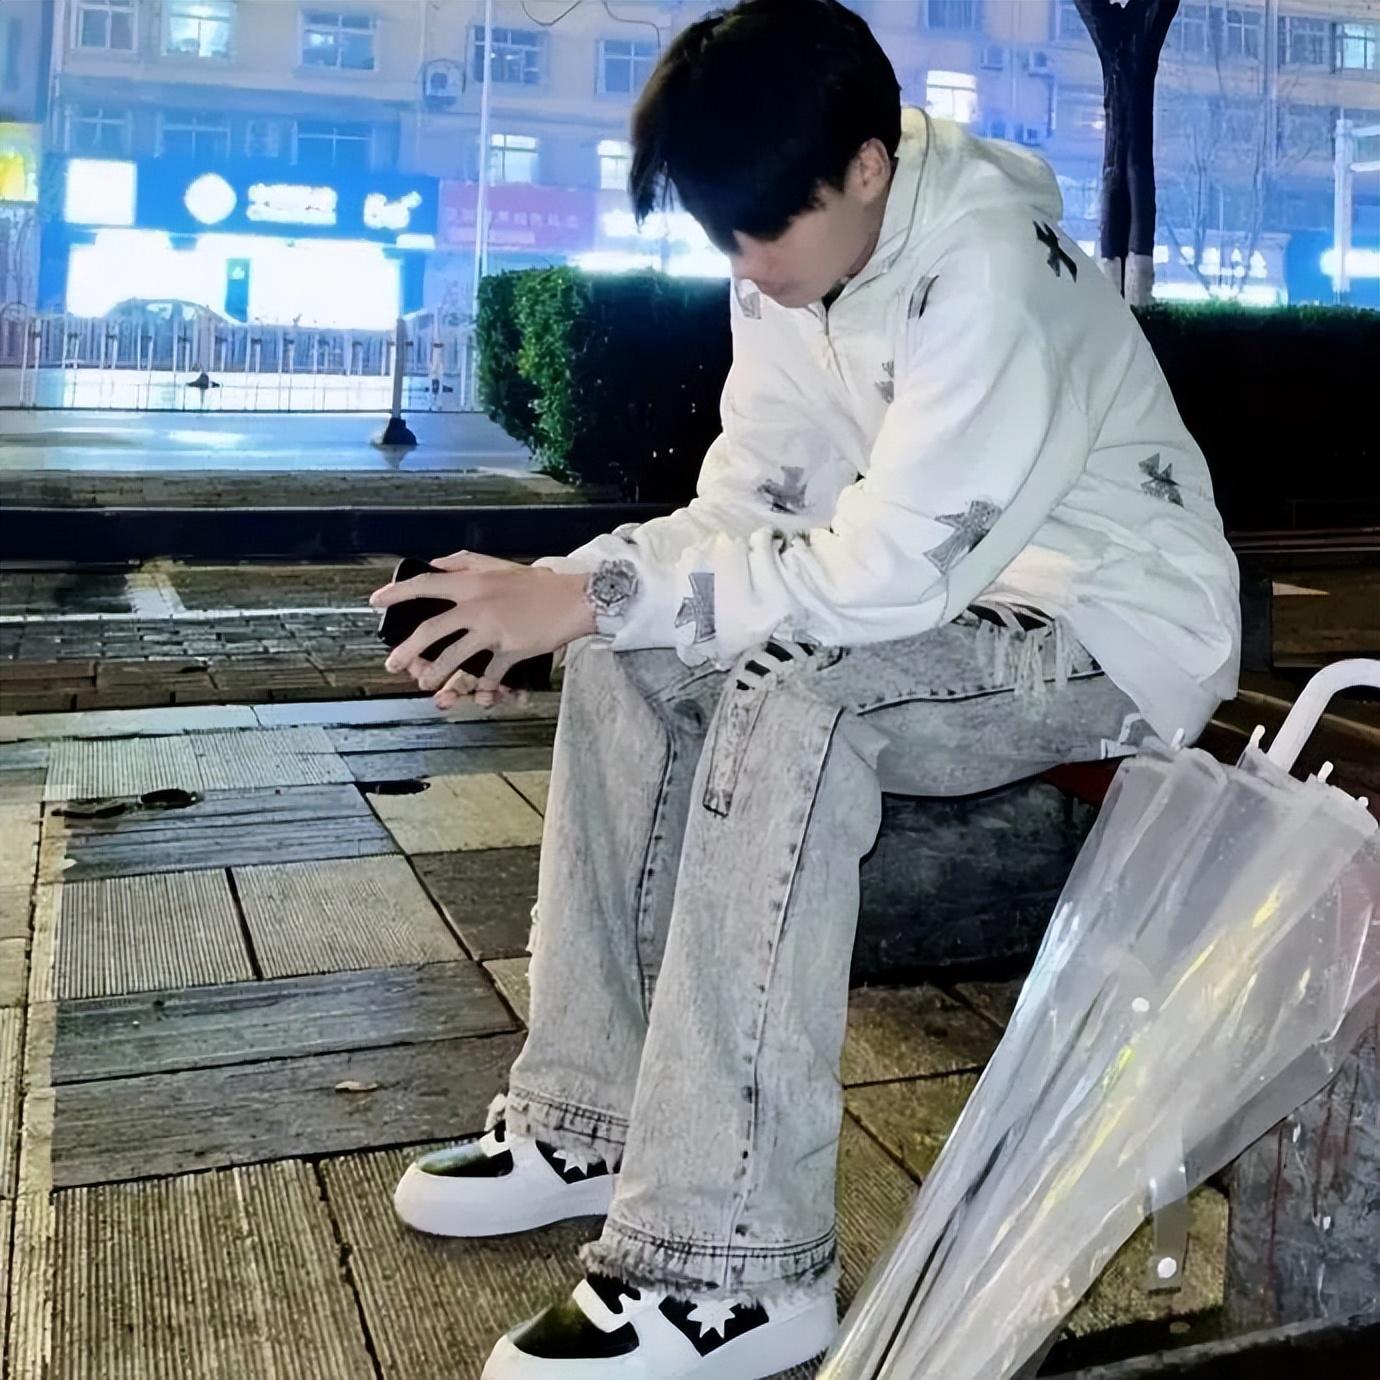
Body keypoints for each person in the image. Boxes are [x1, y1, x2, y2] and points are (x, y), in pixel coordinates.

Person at [369, 1, 1240, 1374]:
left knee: (794, 704)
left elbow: (884, 575)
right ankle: (589, 1118)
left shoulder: (987, 271)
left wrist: (593, 593)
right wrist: (554, 596)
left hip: (1110, 625)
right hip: (944, 601)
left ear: (869, 168)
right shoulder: (800, 268)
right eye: (723, 234)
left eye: (765, 230)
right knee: (628, 661)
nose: (747, 264)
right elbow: (750, 512)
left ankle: (736, 1269)